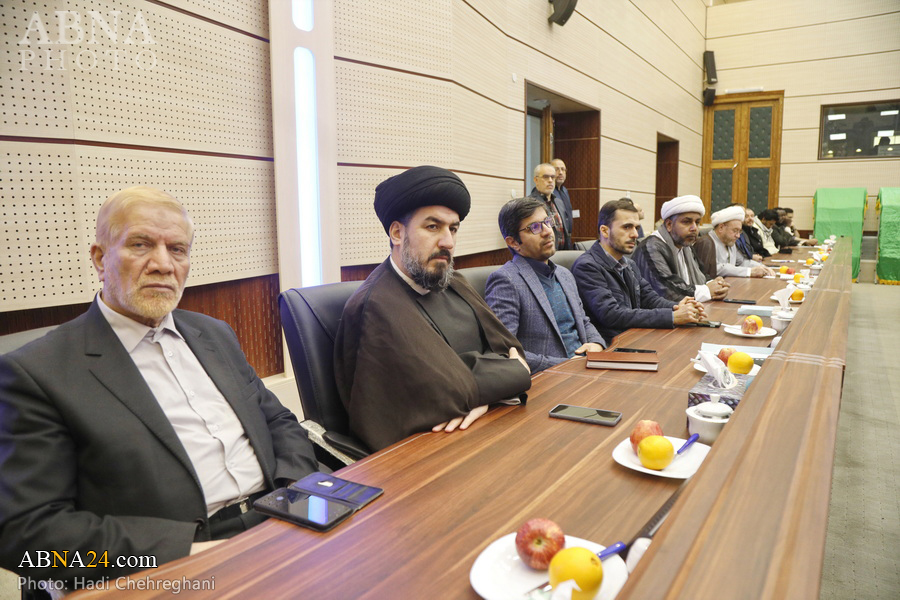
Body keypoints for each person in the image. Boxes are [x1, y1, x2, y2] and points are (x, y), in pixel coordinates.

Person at [0, 187, 319, 587]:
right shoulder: (36, 372)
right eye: (140, 245)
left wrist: (295, 494)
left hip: (279, 519)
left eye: (177, 249)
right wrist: (180, 555)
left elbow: (278, 422)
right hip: (174, 560)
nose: (163, 265)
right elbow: (26, 534)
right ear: (99, 258)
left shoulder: (213, 334)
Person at [334, 166, 531, 452]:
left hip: (491, 430)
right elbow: (443, 395)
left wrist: (481, 398)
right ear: (397, 233)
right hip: (425, 454)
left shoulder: (454, 282)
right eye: (433, 227)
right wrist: (508, 376)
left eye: (453, 229)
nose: (448, 242)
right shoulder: (376, 305)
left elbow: (515, 352)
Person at [485, 197, 605, 373]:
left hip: (587, 368)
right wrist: (566, 365)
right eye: (534, 227)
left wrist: (596, 343)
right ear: (513, 242)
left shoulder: (564, 274)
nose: (548, 231)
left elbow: (584, 321)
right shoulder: (506, 280)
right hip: (550, 377)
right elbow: (505, 350)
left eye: (547, 222)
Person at [572, 199, 705, 342]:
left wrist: (678, 307)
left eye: (636, 227)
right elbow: (612, 315)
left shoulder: (629, 264)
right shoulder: (587, 266)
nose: (635, 234)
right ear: (604, 231)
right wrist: (672, 316)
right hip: (611, 344)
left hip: (635, 337)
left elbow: (649, 299)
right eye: (627, 227)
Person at [632, 195, 730, 302]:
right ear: (669, 224)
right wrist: (707, 290)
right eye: (687, 222)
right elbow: (666, 291)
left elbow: (702, 274)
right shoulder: (652, 248)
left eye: (697, 222)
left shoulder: (686, 245)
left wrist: (715, 285)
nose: (694, 228)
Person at [694, 206, 775, 278]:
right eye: (735, 231)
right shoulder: (706, 242)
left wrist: (763, 268)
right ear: (721, 227)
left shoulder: (730, 242)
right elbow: (714, 269)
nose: (738, 236)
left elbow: (741, 262)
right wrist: (749, 272)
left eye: (739, 231)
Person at [529, 163, 572, 250]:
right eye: (545, 177)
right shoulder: (530, 204)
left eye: (552, 177)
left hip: (563, 253)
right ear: (536, 180)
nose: (550, 180)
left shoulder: (559, 202)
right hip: (543, 253)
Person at [550, 158, 574, 235]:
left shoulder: (565, 190)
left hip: (567, 236)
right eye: (556, 169)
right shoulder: (548, 192)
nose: (560, 172)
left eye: (563, 169)